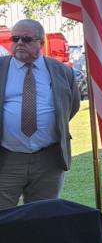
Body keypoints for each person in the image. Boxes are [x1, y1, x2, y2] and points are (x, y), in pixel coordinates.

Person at [0, 20, 79, 209]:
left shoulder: (62, 71)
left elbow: (72, 106)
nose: (19, 43)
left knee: (43, 217)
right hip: (7, 159)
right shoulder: (1, 68)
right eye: (15, 38)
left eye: (26, 39)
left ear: (41, 43)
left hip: (48, 160)